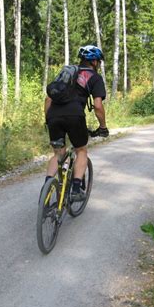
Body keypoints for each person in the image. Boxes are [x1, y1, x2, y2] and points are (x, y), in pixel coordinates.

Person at [44, 45, 109, 201]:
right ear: (94, 61)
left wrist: (48, 121)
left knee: (58, 154)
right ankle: (75, 189)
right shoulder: (94, 77)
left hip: (53, 114)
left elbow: (48, 99)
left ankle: (46, 188)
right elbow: (98, 106)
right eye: (98, 61)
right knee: (81, 150)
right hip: (74, 115)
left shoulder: (67, 73)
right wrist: (103, 127)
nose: (98, 64)